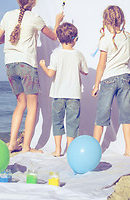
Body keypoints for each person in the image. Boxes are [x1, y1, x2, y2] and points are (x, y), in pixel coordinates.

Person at [0, 0, 64, 153]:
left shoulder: (7, 16)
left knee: (20, 104)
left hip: (10, 65)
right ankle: (25, 147)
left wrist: (12, 38)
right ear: (33, 1)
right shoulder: (35, 18)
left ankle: (11, 144)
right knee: (32, 107)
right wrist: (57, 22)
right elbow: (54, 37)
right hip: (26, 65)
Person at [39, 22, 88, 157]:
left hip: (58, 94)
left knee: (57, 122)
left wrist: (43, 65)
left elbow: (50, 74)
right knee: (73, 123)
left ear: (59, 39)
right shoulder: (78, 54)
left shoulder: (56, 54)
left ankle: (58, 150)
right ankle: (70, 151)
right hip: (74, 95)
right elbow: (85, 72)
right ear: (75, 39)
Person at [91, 5, 130, 156]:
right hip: (124, 78)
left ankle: (95, 150)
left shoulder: (105, 40)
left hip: (108, 80)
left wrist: (96, 85)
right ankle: (128, 150)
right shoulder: (128, 37)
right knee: (126, 115)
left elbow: (101, 65)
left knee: (101, 115)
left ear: (105, 20)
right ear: (121, 19)